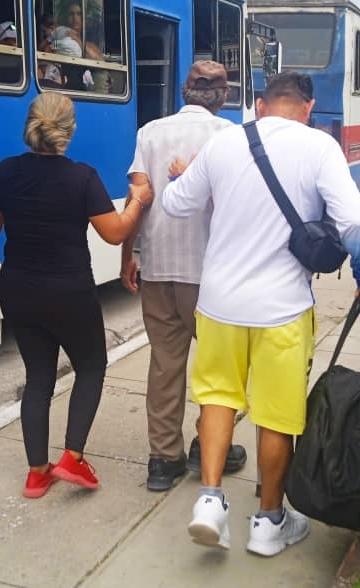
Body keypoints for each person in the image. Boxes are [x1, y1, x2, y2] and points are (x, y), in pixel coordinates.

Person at [162, 71, 360, 557]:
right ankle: (268, 522)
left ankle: (211, 501)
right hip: (282, 309)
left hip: (219, 303)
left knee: (217, 397)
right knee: (277, 415)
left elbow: (176, 205)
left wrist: (181, 175)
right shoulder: (320, 147)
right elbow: (358, 224)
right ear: (308, 108)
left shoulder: (223, 144)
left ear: (260, 105)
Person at [0, 93, 154, 499]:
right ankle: (72, 456)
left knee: (38, 377)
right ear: (69, 131)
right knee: (91, 365)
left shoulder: (3, 172)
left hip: (19, 288)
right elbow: (116, 232)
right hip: (69, 291)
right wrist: (139, 199)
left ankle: (37, 473)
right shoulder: (81, 177)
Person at [122, 61, 247, 493]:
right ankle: (209, 446)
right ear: (224, 96)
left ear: (184, 91)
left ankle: (163, 459)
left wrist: (128, 254)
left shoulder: (150, 133)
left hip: (158, 266)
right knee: (220, 368)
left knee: (164, 365)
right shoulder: (231, 137)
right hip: (211, 273)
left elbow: (138, 195)